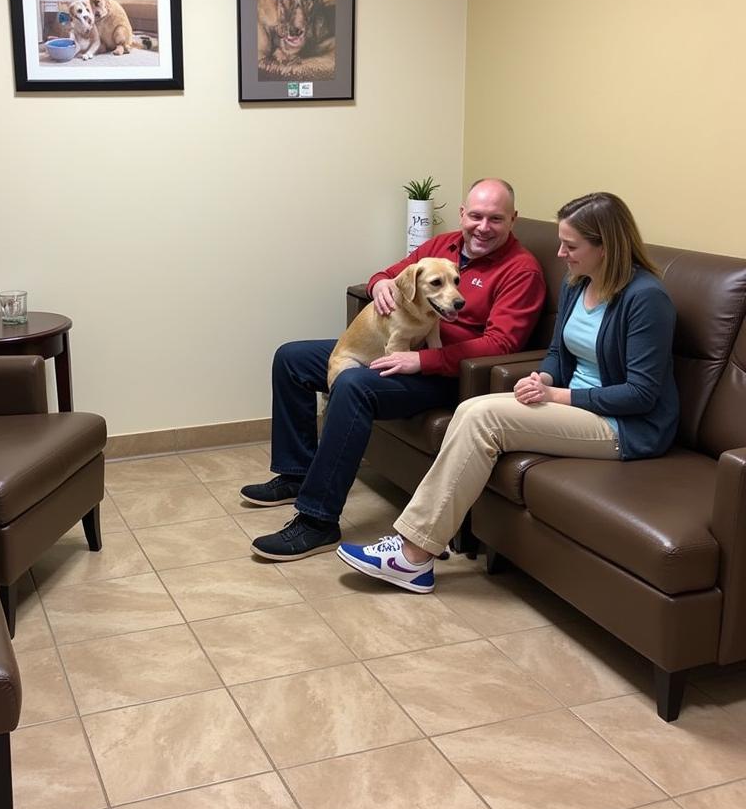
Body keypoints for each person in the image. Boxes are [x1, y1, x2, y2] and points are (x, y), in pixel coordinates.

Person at [337, 191, 678, 592]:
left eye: (571, 246)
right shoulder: (577, 284)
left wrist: (559, 397)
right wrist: (545, 379)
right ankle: (417, 550)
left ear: (606, 246)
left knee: (484, 417)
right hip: (572, 403)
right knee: (472, 410)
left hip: (625, 425)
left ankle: (413, 555)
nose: (561, 254)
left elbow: (641, 394)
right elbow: (556, 353)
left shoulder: (646, 299)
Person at [244, 178, 547, 562]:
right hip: (402, 350)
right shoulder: (443, 246)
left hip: (449, 376)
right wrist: (380, 284)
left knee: (353, 385)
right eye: (475, 216)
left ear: (513, 220)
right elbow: (390, 274)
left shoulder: (521, 271)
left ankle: (318, 520)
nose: (483, 227)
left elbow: (502, 345)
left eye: (495, 219)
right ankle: (295, 473)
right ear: (462, 214)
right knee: (292, 358)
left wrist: (423, 360)